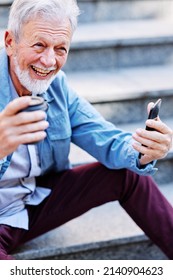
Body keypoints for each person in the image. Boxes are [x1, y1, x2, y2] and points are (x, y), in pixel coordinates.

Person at [0, 0, 172, 260]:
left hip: (31, 202)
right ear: (10, 42)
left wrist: (144, 149)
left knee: (127, 174)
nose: (48, 61)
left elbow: (105, 137)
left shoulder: (57, 86)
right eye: (39, 45)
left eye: (60, 48)